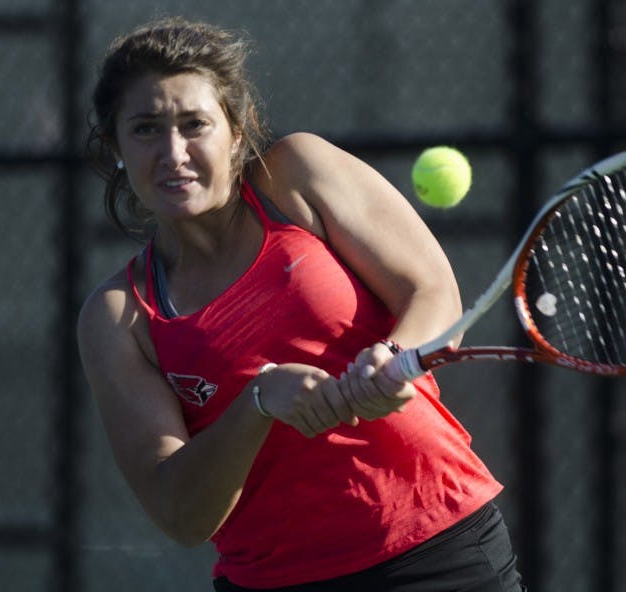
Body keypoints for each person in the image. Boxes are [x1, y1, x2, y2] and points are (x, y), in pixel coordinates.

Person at [78, 17, 526, 592]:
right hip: (276, 580)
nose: (173, 152)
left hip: (439, 548)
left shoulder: (297, 175)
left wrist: (395, 360)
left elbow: (431, 289)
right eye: (145, 129)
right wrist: (258, 402)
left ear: (235, 132)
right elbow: (181, 513)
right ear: (116, 146)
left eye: (195, 125)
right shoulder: (119, 317)